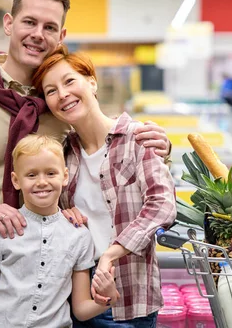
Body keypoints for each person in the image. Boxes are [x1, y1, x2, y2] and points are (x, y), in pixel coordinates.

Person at [0, 0, 171, 328]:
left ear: (61, 37)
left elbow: (94, 154)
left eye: (49, 27)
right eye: (29, 22)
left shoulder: (57, 111)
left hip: (42, 265)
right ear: (9, 24)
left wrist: (157, 147)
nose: (37, 34)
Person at [32, 46, 177, 327]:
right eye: (51, 91)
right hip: (76, 298)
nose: (62, 94)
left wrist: (112, 252)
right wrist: (61, 215)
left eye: (69, 81)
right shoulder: (62, 152)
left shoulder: (137, 137)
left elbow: (162, 205)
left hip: (128, 298)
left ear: (92, 82)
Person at [0, 134, 119, 328]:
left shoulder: (79, 236)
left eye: (50, 173)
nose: (41, 182)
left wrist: (107, 299)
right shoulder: (2, 231)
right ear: (16, 180)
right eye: (31, 175)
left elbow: (81, 309)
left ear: (64, 176)